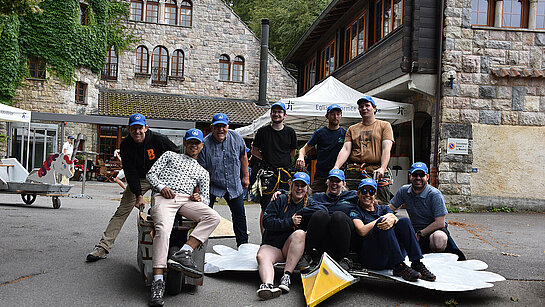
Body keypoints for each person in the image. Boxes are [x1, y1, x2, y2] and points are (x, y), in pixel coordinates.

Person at [86, 113, 177, 262]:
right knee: (122, 211)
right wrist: (139, 195)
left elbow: (177, 157)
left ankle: (171, 248)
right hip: (140, 179)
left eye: (140, 128)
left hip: (161, 179)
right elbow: (131, 172)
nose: (137, 132)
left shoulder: (159, 140)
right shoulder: (126, 145)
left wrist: (170, 180)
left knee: (166, 210)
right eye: (134, 128)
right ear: (129, 129)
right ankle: (103, 247)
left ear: (146, 128)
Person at [146, 128, 221, 307]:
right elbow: (151, 174)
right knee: (162, 229)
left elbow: (206, 198)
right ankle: (158, 281)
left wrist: (199, 198)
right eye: (190, 142)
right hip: (165, 196)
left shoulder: (203, 172)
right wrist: (161, 186)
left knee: (213, 217)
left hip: (186, 200)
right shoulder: (170, 155)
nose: (193, 146)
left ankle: (184, 251)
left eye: (197, 143)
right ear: (185, 143)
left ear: (202, 146)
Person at [350, 178, 436, 282]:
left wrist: (392, 220)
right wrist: (381, 219)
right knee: (383, 223)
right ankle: (399, 266)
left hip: (391, 256)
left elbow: (393, 217)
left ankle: (416, 263)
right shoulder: (356, 211)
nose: (367, 194)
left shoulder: (383, 209)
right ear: (358, 193)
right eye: (364, 191)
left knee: (404, 221)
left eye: (371, 191)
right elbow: (362, 231)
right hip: (373, 258)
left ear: (375, 195)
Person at [389, 162, 466, 260]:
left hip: (434, 230)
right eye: (415, 175)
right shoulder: (404, 191)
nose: (418, 178)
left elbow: (440, 223)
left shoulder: (435, 194)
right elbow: (390, 208)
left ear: (427, 177)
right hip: (414, 229)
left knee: (439, 239)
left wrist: (420, 234)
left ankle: (436, 259)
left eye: (421, 175)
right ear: (410, 176)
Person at [256, 172, 311, 300]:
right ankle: (268, 285)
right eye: (296, 185)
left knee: (300, 234)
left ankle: (286, 276)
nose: (299, 188)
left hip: (290, 248)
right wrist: (289, 222)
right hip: (273, 245)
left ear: (307, 188)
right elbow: (266, 221)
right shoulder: (279, 199)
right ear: (291, 185)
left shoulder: (310, 204)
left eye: (303, 186)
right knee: (261, 256)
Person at [197, 113, 249, 246]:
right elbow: (200, 170)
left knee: (239, 216)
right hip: (211, 185)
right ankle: (199, 246)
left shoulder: (236, 137)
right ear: (212, 127)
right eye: (217, 126)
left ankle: (243, 246)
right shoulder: (205, 144)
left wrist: (246, 177)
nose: (220, 129)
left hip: (233, 183)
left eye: (223, 126)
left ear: (228, 126)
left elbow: (243, 156)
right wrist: (198, 191)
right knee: (204, 216)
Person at [333, 96, 394, 204]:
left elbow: (386, 148)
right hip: (355, 171)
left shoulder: (384, 125)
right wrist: (336, 167)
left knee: (381, 204)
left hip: (377, 171)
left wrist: (382, 168)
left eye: (367, 105)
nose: (364, 108)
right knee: (352, 202)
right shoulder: (352, 129)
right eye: (361, 107)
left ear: (374, 108)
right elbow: (346, 149)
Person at [251, 101, 297, 233]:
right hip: (267, 174)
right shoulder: (262, 132)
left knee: (286, 204)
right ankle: (264, 238)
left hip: (284, 174)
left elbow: (292, 153)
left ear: (285, 115)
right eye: (274, 112)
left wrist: (280, 161)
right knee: (266, 207)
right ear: (270, 114)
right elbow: (254, 151)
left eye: (279, 112)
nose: (276, 114)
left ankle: (282, 236)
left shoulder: (290, 132)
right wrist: (268, 159)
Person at [304, 169, 357, 269]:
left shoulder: (352, 195)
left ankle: (345, 259)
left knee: (338, 216)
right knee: (320, 215)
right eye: (332, 181)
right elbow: (299, 195)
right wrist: (281, 193)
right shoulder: (318, 197)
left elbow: (370, 199)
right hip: (324, 240)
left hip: (344, 238)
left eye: (337, 181)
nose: (334, 184)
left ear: (344, 183)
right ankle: (308, 255)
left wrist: (389, 214)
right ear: (327, 183)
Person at [296, 104, 346, 193]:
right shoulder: (319, 133)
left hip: (338, 175)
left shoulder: (345, 133)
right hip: (321, 174)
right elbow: (303, 149)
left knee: (340, 201)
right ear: (327, 116)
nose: (335, 116)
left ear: (341, 116)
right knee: (314, 199)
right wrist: (301, 157)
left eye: (338, 114)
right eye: (332, 114)